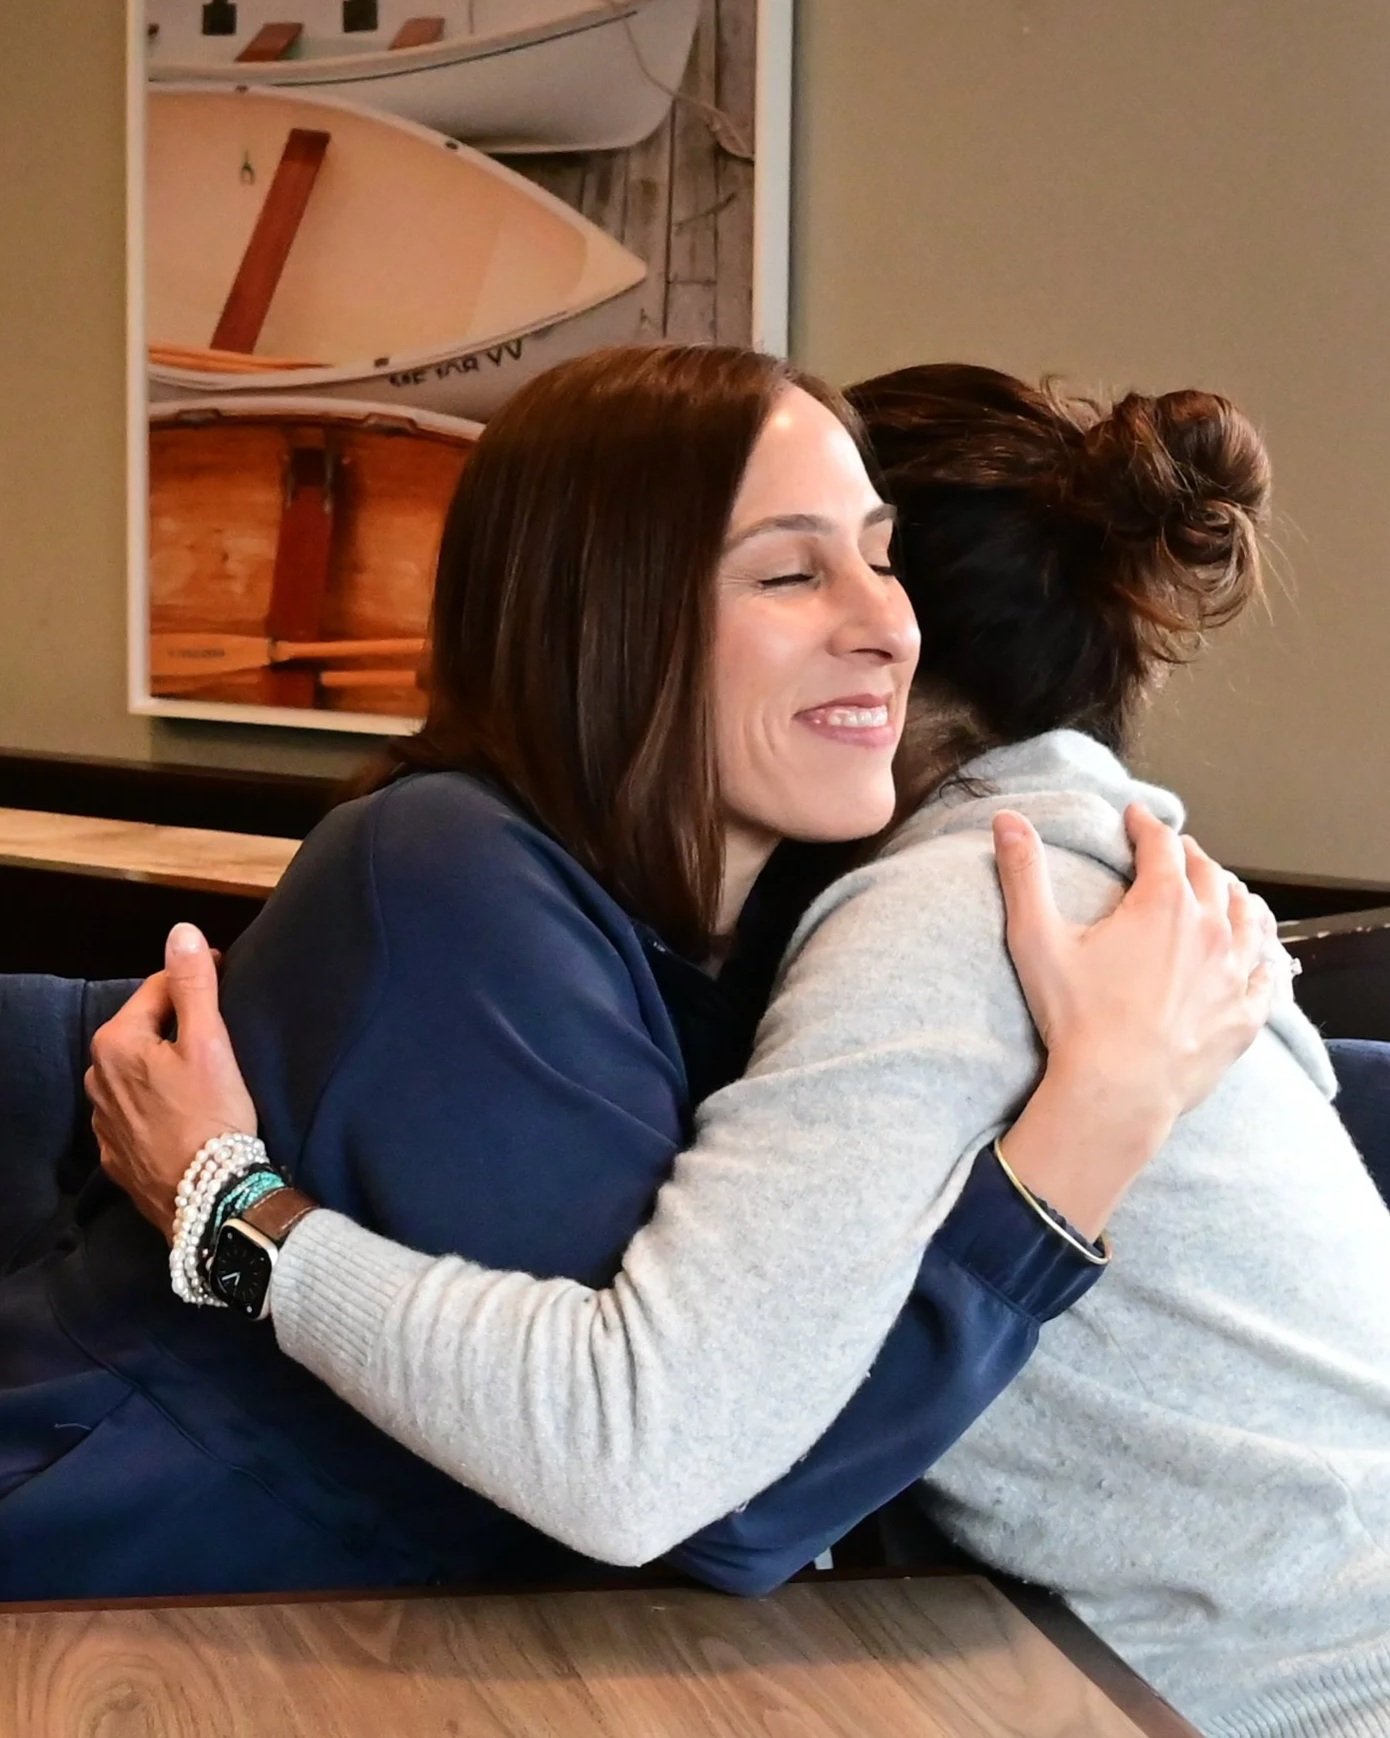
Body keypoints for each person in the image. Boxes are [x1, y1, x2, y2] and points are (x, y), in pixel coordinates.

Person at [93, 361, 1390, 1737]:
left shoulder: (971, 909)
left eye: (881, 560)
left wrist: (233, 1210)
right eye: (789, 573)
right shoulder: (1080, 876)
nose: (877, 621)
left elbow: (684, 1476)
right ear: (615, 611)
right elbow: (671, 1464)